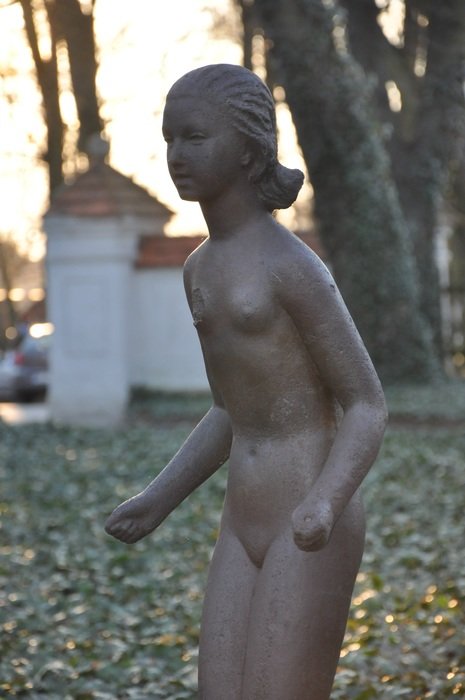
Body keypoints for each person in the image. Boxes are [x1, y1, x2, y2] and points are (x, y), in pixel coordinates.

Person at [105, 64, 388, 700]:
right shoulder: (198, 269)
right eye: (169, 138)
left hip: (309, 512)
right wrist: (158, 498)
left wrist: (326, 499)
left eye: (196, 137)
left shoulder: (292, 267)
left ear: (249, 149)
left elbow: (366, 403)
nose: (176, 155)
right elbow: (228, 410)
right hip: (243, 517)